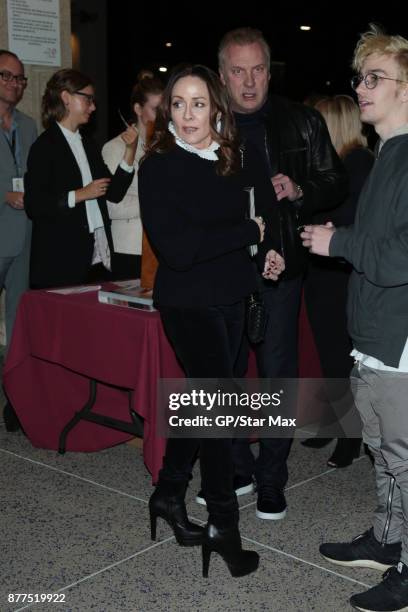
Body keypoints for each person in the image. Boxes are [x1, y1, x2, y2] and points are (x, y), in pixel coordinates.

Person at [138, 63, 284, 578]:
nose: (187, 114)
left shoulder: (232, 157)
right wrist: (246, 231)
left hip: (234, 297)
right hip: (187, 303)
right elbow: (178, 251)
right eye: (177, 103)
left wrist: (267, 249)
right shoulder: (159, 165)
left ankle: (168, 493)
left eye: (198, 102)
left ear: (216, 107)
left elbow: (263, 211)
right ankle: (224, 523)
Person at [216, 27, 348, 520]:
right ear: (222, 74)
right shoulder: (205, 122)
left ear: (269, 71)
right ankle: (237, 465)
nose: (248, 82)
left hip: (281, 269)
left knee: (275, 375)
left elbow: (334, 181)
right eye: (237, 70)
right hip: (222, 268)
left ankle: (272, 477)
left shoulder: (303, 120)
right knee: (222, 374)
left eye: (257, 70)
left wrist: (299, 189)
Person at [302, 24, 408, 612]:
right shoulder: (388, 154)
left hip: (399, 335)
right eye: (359, 77)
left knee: (405, 454)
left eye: (377, 78)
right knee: (386, 451)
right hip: (375, 332)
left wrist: (337, 241)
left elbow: (400, 255)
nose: (363, 88)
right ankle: (389, 540)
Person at [302, 95, 374, 467]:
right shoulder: (336, 165)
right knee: (328, 355)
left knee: (339, 357)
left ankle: (351, 435)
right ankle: (333, 423)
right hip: (322, 272)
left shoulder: (358, 164)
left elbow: (353, 221)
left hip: (340, 275)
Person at [24, 69, 137, 289]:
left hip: (95, 257)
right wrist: (80, 194)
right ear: (66, 98)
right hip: (60, 261)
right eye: (88, 99)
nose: (93, 107)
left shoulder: (88, 144)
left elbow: (113, 193)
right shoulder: (44, 146)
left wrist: (130, 150)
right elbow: (34, 205)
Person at [0, 50, 37, 432]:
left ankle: (14, 402)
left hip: (24, 236)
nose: (15, 83)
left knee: (18, 323)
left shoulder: (28, 126)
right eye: (7, 76)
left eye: (20, 78)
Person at [102, 74, 163, 280]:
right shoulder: (114, 148)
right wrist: (155, 203)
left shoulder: (166, 147)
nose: (164, 115)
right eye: (156, 109)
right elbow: (112, 207)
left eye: (166, 109)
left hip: (162, 246)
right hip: (129, 248)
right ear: (138, 109)